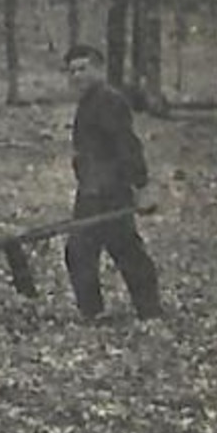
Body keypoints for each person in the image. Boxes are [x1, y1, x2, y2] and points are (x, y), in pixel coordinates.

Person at [62, 44, 162, 320]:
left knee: (122, 249)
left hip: (110, 191)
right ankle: (96, 313)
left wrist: (141, 186)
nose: (77, 76)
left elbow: (127, 145)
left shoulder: (109, 100)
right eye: (72, 71)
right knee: (83, 251)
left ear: (98, 69)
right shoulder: (89, 101)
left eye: (83, 69)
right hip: (91, 191)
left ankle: (149, 312)